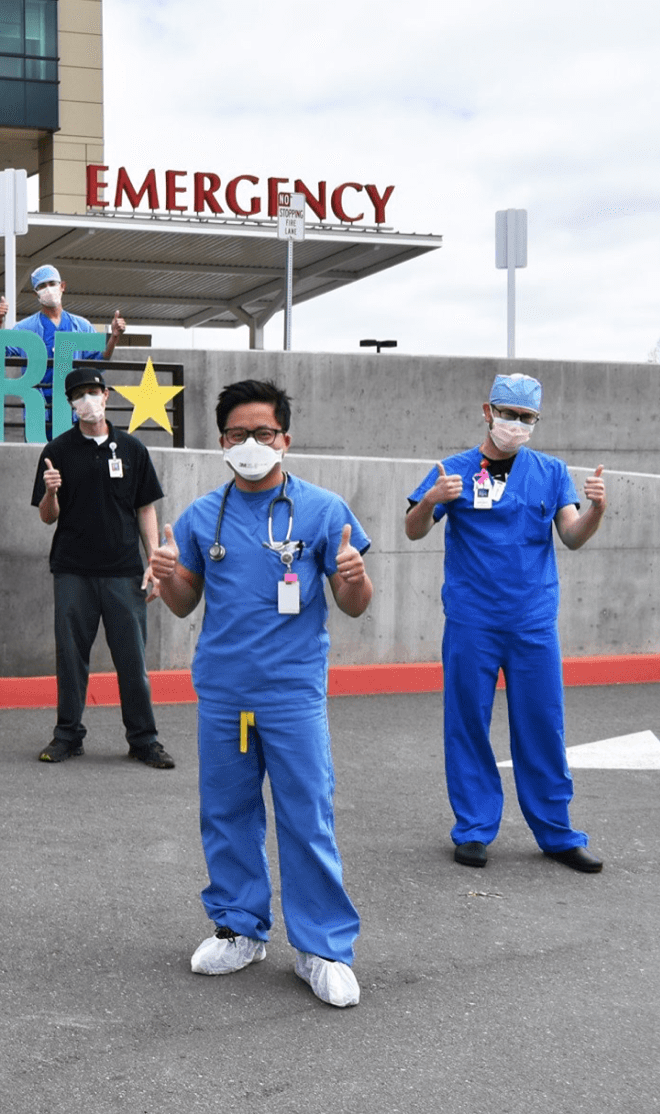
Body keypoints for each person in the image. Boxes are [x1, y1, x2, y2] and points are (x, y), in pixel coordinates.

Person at [147, 379, 373, 1009]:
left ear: (285, 439)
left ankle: (322, 946)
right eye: (237, 435)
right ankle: (239, 928)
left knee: (307, 817)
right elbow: (187, 599)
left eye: (263, 433)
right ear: (222, 443)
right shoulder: (199, 517)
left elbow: (354, 606)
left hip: (292, 694)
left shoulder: (325, 512)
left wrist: (354, 578)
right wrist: (167, 577)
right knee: (227, 814)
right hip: (224, 693)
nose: (251, 444)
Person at [404, 374, 607, 874]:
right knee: (468, 721)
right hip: (473, 618)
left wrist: (597, 507)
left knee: (542, 722)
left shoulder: (551, 472)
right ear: (487, 410)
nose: (515, 424)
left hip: (533, 620)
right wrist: (432, 500)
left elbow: (573, 536)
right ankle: (473, 828)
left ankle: (557, 832)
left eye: (526, 417)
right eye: (507, 413)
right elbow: (411, 530)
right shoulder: (451, 470)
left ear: (536, 421)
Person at [30, 368, 172, 768]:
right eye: (79, 395)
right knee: (71, 658)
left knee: (132, 659)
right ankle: (67, 735)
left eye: (93, 391)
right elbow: (47, 516)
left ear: (107, 395)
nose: (87, 400)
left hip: (124, 570)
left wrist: (154, 562)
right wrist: (52, 493)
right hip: (73, 570)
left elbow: (145, 507)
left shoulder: (131, 449)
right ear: (70, 404)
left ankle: (144, 739)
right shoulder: (56, 451)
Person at [0, 264, 126, 437]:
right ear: (36, 294)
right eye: (41, 286)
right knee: (41, 459)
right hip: (38, 409)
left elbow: (99, 361)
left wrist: (114, 337)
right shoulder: (24, 328)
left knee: (73, 459)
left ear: (62, 286)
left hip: (72, 407)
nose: (48, 289)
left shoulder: (82, 326)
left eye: (51, 283)